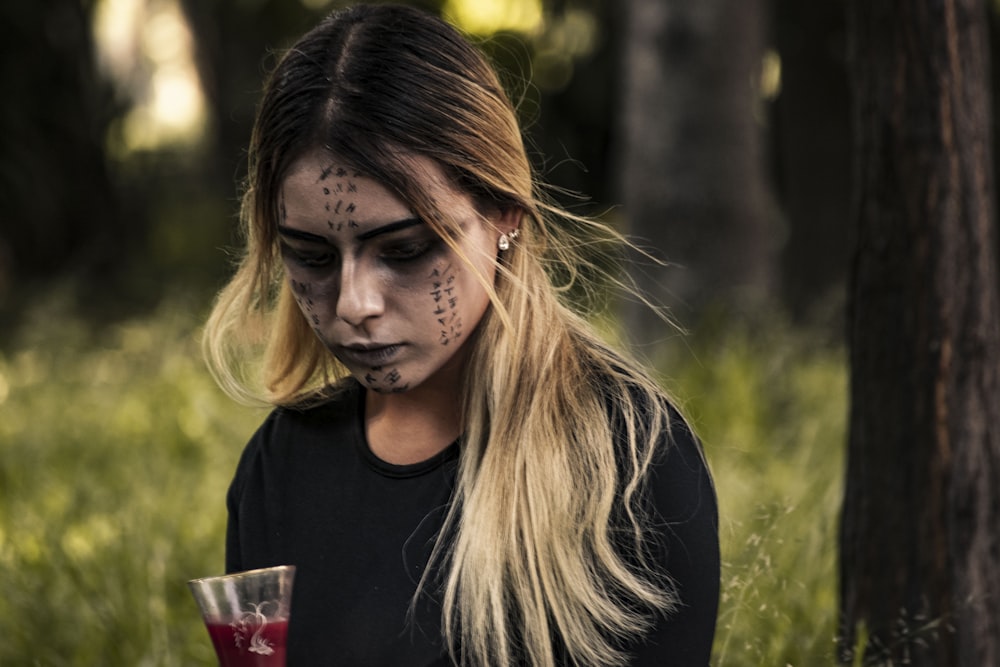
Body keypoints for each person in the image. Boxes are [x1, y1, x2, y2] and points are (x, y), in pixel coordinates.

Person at [203, 4, 719, 665]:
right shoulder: (275, 469)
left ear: (504, 214)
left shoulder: (632, 461)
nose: (354, 303)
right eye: (311, 255)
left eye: (407, 248)